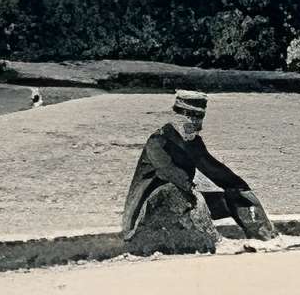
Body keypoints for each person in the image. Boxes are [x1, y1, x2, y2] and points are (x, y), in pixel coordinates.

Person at [119, 91, 278, 255]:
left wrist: (239, 187)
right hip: (148, 212)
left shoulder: (193, 142)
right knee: (178, 192)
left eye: (199, 116)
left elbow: (212, 168)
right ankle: (215, 243)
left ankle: (265, 238)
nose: (196, 121)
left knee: (235, 196)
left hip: (183, 202)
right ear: (179, 115)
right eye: (191, 115)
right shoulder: (158, 140)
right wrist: (193, 192)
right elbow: (169, 172)